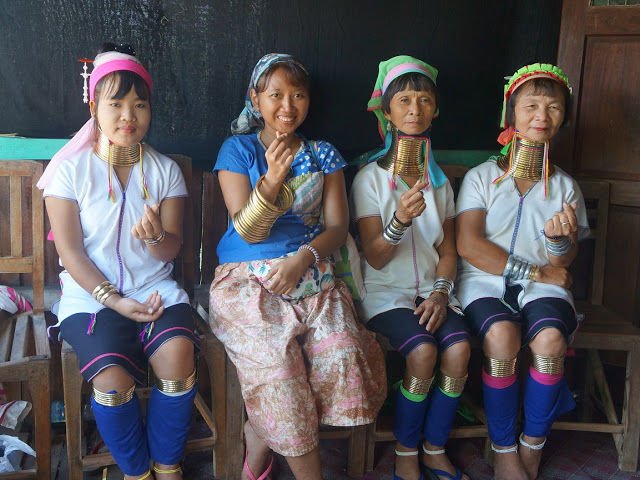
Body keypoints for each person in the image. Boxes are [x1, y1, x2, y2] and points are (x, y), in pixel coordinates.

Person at [209, 53, 386, 480]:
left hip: (311, 271)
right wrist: (270, 178)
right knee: (282, 378)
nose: (287, 106)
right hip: (246, 281)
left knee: (343, 356)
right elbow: (248, 232)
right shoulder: (238, 149)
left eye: (298, 95)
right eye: (275, 95)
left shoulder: (324, 155)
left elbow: (337, 226)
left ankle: (260, 433)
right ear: (255, 99)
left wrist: (301, 259)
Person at [39, 43, 198, 480]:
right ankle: (135, 472)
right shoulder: (68, 173)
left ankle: (167, 468)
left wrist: (157, 239)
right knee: (111, 378)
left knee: (178, 353)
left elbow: (171, 250)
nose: (129, 115)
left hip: (156, 290)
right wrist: (114, 300)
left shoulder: (165, 171)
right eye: (116, 104)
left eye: (139, 104)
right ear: (94, 106)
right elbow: (70, 254)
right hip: (90, 297)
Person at [455, 63, 590, 480]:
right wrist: (539, 272)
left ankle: (532, 445)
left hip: (544, 288)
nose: (542, 117)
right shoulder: (482, 178)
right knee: (501, 336)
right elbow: (469, 245)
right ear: (510, 114)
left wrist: (557, 243)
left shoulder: (564, 187)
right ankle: (503, 447)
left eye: (553, 107)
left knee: (549, 341)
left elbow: (563, 264)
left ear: (563, 117)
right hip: (483, 282)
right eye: (531, 106)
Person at [350, 55, 471, 480]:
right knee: (422, 351)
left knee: (457, 349)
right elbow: (376, 256)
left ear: (435, 110)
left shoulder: (440, 184)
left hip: (434, 293)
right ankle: (405, 450)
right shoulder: (368, 180)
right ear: (386, 112)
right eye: (403, 100)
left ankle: (434, 447)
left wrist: (441, 291)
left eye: (423, 100)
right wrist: (399, 220)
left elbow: (450, 250)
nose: (415, 109)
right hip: (385, 295)